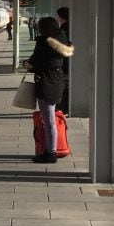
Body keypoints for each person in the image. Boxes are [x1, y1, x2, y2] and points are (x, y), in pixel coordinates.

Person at [23, 16, 73, 163]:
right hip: (57, 80)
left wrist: (26, 64)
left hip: (46, 82)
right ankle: (50, 149)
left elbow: (35, 62)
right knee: (50, 117)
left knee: (49, 119)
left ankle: (51, 152)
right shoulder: (63, 39)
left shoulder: (44, 42)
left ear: (42, 28)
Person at [56, 7, 70, 114]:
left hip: (65, 62)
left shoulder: (63, 30)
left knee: (64, 86)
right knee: (66, 85)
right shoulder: (71, 27)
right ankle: (65, 107)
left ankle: (63, 108)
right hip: (68, 61)